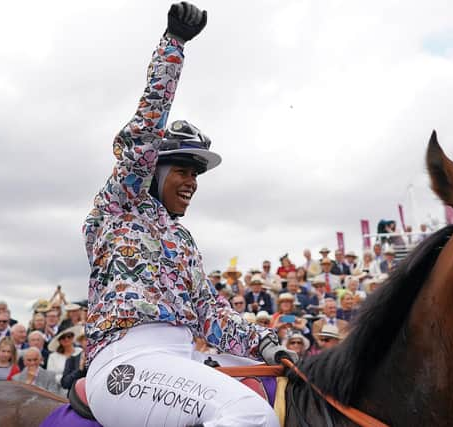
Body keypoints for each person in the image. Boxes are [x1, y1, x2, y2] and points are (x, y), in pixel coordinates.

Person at [82, 5, 291, 426]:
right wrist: (173, 46)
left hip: (179, 361)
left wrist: (270, 345)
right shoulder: (119, 207)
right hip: (126, 364)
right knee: (247, 414)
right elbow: (143, 131)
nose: (192, 181)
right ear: (152, 171)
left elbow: (210, 315)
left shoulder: (183, 242)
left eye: (196, 174)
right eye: (182, 170)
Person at [47, 325, 83, 391]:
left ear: (73, 337)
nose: (66, 339)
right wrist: (66, 380)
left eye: (69, 336)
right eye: (63, 337)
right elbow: (50, 375)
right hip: (60, 389)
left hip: (80, 387)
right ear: (59, 341)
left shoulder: (80, 351)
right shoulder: (53, 356)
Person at [60, 328, 88, 392]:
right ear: (81, 342)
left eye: (92, 339)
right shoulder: (71, 359)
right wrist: (79, 370)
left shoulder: (100, 357)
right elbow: (65, 383)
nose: (89, 342)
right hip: (76, 398)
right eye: (86, 339)